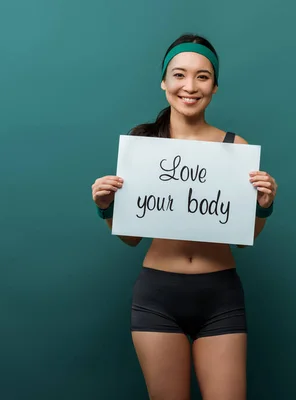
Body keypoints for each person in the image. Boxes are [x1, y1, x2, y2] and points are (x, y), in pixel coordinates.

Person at [90, 33, 277, 400]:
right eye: (179, 75)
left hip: (220, 295)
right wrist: (106, 206)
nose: (189, 86)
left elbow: (242, 237)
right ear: (164, 82)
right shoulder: (143, 147)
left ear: (215, 86)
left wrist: (264, 205)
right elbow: (130, 238)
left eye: (202, 76)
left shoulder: (233, 148)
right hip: (158, 295)